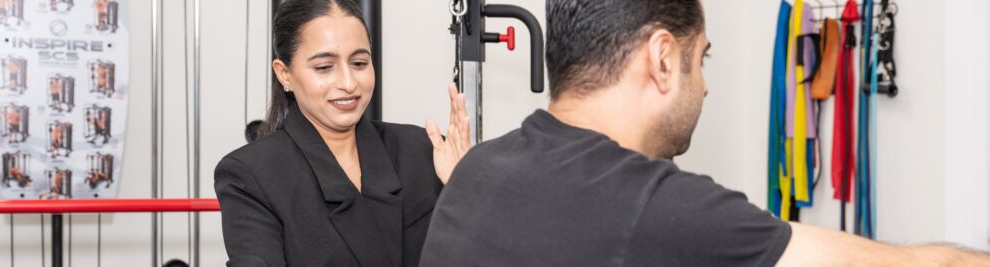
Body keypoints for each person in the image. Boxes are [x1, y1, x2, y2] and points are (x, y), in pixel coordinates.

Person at [420, 0, 990, 266]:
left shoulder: (480, 170)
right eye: (702, 59)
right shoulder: (653, 207)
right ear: (663, 59)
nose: (707, 86)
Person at [214, 0, 471, 266]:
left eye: (359, 63)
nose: (349, 84)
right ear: (284, 74)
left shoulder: (423, 150)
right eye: (324, 67)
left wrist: (468, 189)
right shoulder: (252, 175)